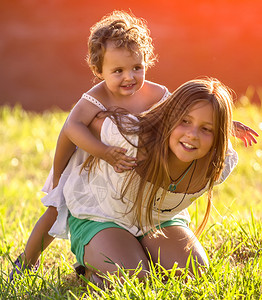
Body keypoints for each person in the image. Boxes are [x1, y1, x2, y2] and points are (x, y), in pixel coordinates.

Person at [9, 10, 258, 281]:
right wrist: (72, 169)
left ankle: (136, 248)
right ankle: (27, 262)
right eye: (118, 71)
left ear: (146, 62)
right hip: (91, 169)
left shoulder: (157, 93)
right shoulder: (96, 97)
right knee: (55, 210)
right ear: (98, 70)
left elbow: (188, 111)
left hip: (140, 192)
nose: (129, 77)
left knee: (189, 271)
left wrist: (227, 124)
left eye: (136, 68)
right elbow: (71, 129)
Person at [63, 78, 240, 284]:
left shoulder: (219, 163)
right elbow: (76, 124)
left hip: (158, 220)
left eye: (206, 129)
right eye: (184, 121)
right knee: (135, 278)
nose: (192, 135)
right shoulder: (132, 138)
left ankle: (138, 252)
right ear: (169, 116)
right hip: (102, 214)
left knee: (195, 275)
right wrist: (58, 176)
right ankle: (94, 268)